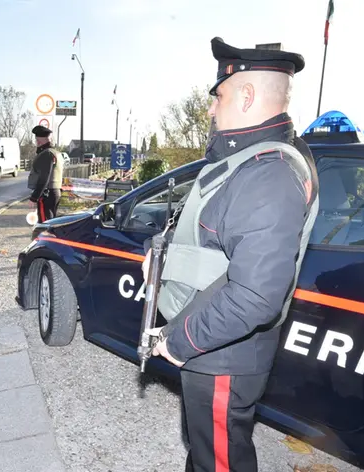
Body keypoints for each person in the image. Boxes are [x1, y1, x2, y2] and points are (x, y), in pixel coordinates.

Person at [143, 38, 321, 472]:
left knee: (220, 461)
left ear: (246, 96)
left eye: (218, 96)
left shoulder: (268, 175)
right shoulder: (247, 163)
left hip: (221, 353)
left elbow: (255, 296)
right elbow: (215, 243)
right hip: (215, 345)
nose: (210, 109)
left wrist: (179, 341)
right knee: (207, 451)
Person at [27, 125, 64, 222]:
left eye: (37, 140)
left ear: (38, 141)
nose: (36, 143)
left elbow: (44, 178)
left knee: (45, 224)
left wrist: (34, 197)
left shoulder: (46, 154)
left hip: (47, 194)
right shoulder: (56, 153)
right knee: (51, 222)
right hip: (55, 192)